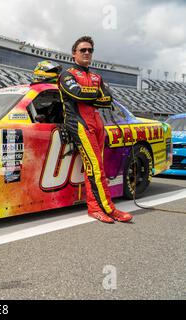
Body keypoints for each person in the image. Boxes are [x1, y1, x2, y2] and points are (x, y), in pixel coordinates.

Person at [58, 36, 133, 223]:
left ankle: (95, 207)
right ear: (74, 53)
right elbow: (76, 94)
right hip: (79, 124)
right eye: (82, 50)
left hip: (98, 123)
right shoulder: (67, 75)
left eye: (90, 50)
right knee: (96, 169)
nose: (86, 53)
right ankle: (109, 209)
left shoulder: (96, 77)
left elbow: (108, 99)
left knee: (96, 168)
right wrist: (93, 94)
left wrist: (87, 95)